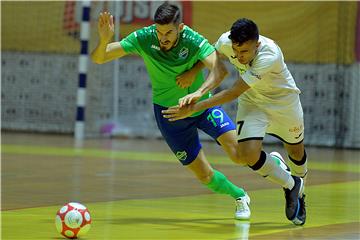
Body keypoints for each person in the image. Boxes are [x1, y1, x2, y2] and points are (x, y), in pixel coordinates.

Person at [91, 3, 251, 220]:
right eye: (159, 32)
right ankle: (240, 196)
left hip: (202, 107)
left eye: (168, 32)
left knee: (240, 156)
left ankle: (272, 163)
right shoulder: (145, 38)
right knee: (204, 175)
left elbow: (219, 71)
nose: (163, 38)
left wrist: (199, 93)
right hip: (170, 115)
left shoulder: (193, 40)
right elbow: (99, 58)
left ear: (181, 27)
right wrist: (104, 40)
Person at [162, 18, 307, 225]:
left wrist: (194, 107)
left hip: (283, 103)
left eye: (245, 52)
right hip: (252, 102)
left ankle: (301, 193)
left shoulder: (270, 54)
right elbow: (212, 56)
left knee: (296, 151)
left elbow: (233, 92)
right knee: (246, 155)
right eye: (236, 52)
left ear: (257, 45)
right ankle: (292, 184)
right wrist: (193, 72)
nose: (239, 57)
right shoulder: (225, 41)